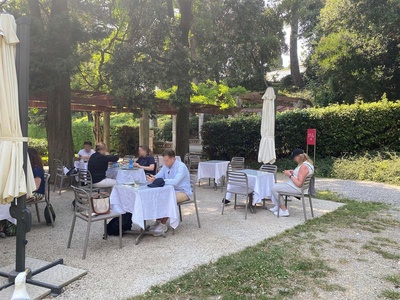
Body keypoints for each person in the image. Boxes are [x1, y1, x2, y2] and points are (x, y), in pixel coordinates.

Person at [146, 149, 191, 235]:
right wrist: (152, 178)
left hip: (183, 192)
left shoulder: (181, 167)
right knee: (156, 197)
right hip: (170, 190)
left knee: (168, 199)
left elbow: (175, 182)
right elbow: (158, 176)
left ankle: (163, 224)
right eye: (164, 160)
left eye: (166, 160)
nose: (165, 163)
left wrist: (160, 181)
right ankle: (158, 222)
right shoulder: (166, 166)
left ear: (173, 159)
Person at [269, 148, 314, 217]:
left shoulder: (303, 167)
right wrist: (293, 171)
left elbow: (299, 184)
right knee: (276, 185)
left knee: (274, 188)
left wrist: (289, 175)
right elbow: (301, 174)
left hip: (297, 189)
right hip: (297, 187)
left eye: (294, 158)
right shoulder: (308, 164)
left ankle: (284, 210)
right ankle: (279, 206)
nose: (293, 160)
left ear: (299, 156)